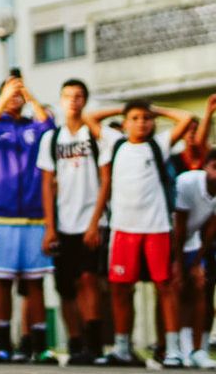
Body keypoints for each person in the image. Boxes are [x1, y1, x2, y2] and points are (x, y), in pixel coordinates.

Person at [87, 101, 193, 367]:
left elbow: (186, 116)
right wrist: (123, 108)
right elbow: (90, 117)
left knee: (165, 287)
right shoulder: (116, 142)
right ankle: (123, 347)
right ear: (125, 122)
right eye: (135, 118)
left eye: (146, 118)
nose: (141, 122)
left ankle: (172, 349)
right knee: (121, 289)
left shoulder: (160, 144)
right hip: (124, 229)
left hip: (156, 228)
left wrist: (156, 109)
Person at [38, 78, 112, 365]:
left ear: (85, 101)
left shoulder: (95, 136)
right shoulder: (52, 139)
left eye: (79, 96)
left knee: (89, 280)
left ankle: (95, 346)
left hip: (90, 220)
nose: (73, 101)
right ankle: (75, 342)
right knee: (65, 286)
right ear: (60, 99)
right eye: (68, 96)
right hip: (62, 222)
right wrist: (49, 226)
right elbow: (46, 184)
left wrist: (95, 222)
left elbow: (106, 180)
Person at [0, 73, 55, 363]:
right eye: (10, 91)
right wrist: (2, 100)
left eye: (18, 92)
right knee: (2, 282)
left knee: (35, 282)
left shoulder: (33, 127)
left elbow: (50, 127)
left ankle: (40, 345)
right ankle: (3, 344)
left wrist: (30, 95)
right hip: (2, 217)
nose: (15, 96)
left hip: (34, 217)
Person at [174, 149, 216, 368]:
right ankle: (175, 348)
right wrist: (180, 266)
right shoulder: (188, 183)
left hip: (193, 241)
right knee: (176, 289)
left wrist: (197, 263)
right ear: (206, 166)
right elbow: (178, 230)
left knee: (199, 287)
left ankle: (198, 349)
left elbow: (210, 231)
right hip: (168, 237)